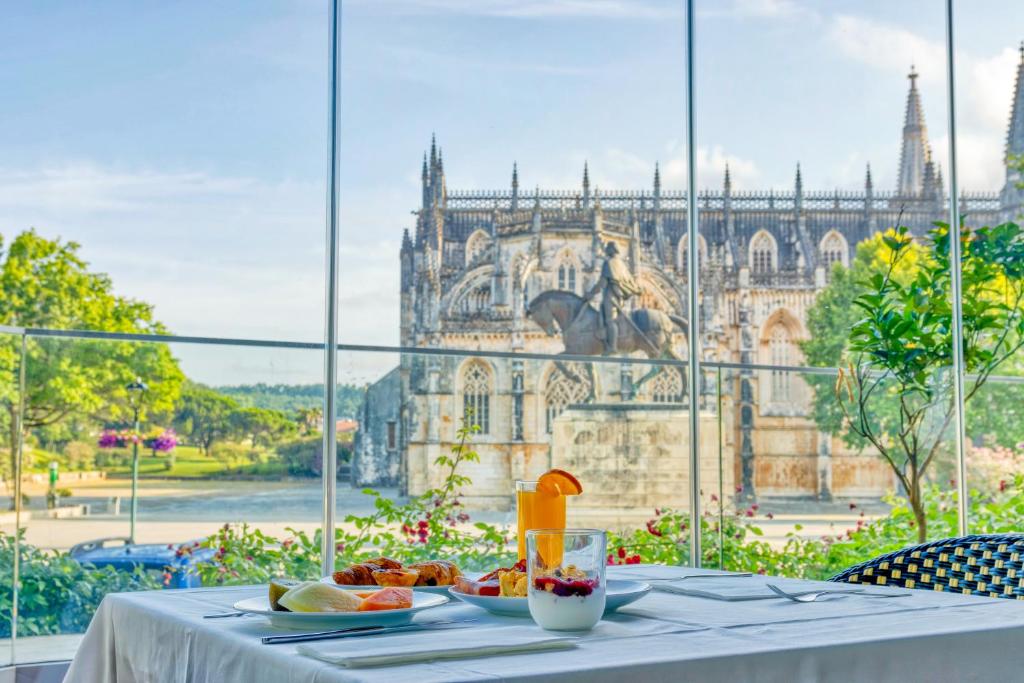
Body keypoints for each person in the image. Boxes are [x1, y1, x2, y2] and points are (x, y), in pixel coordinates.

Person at [582, 241, 641, 354]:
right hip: (619, 297)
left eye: (607, 248)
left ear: (612, 249)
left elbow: (603, 283)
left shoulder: (609, 263)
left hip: (611, 296)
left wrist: (591, 294)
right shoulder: (621, 263)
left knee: (610, 320)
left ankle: (612, 348)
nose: (605, 250)